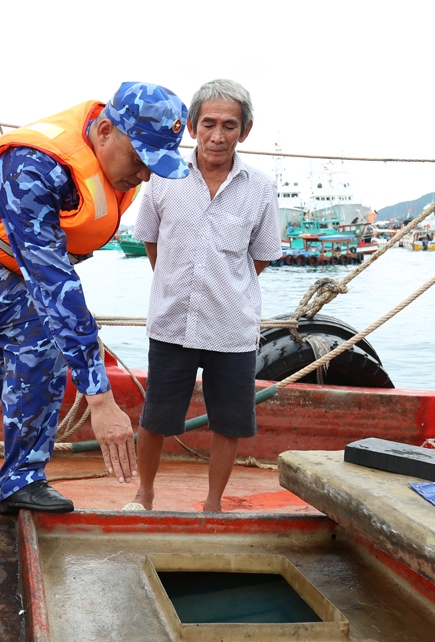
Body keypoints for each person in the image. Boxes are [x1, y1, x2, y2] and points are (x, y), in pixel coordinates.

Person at [0, 82, 190, 514]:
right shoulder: (33, 168)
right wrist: (100, 398)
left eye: (155, 164)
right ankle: (21, 478)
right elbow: (50, 284)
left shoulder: (110, 164)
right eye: (140, 159)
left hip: (1, 260)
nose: (146, 175)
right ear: (105, 131)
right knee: (39, 325)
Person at [127, 79, 282, 512]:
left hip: (231, 326)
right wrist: (180, 282)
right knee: (156, 417)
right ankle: (144, 495)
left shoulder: (260, 188)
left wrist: (223, 284)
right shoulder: (162, 178)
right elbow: (151, 242)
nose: (218, 136)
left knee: (229, 422)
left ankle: (213, 504)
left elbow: (263, 255)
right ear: (192, 127)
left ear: (244, 132)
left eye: (229, 126)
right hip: (172, 319)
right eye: (209, 124)